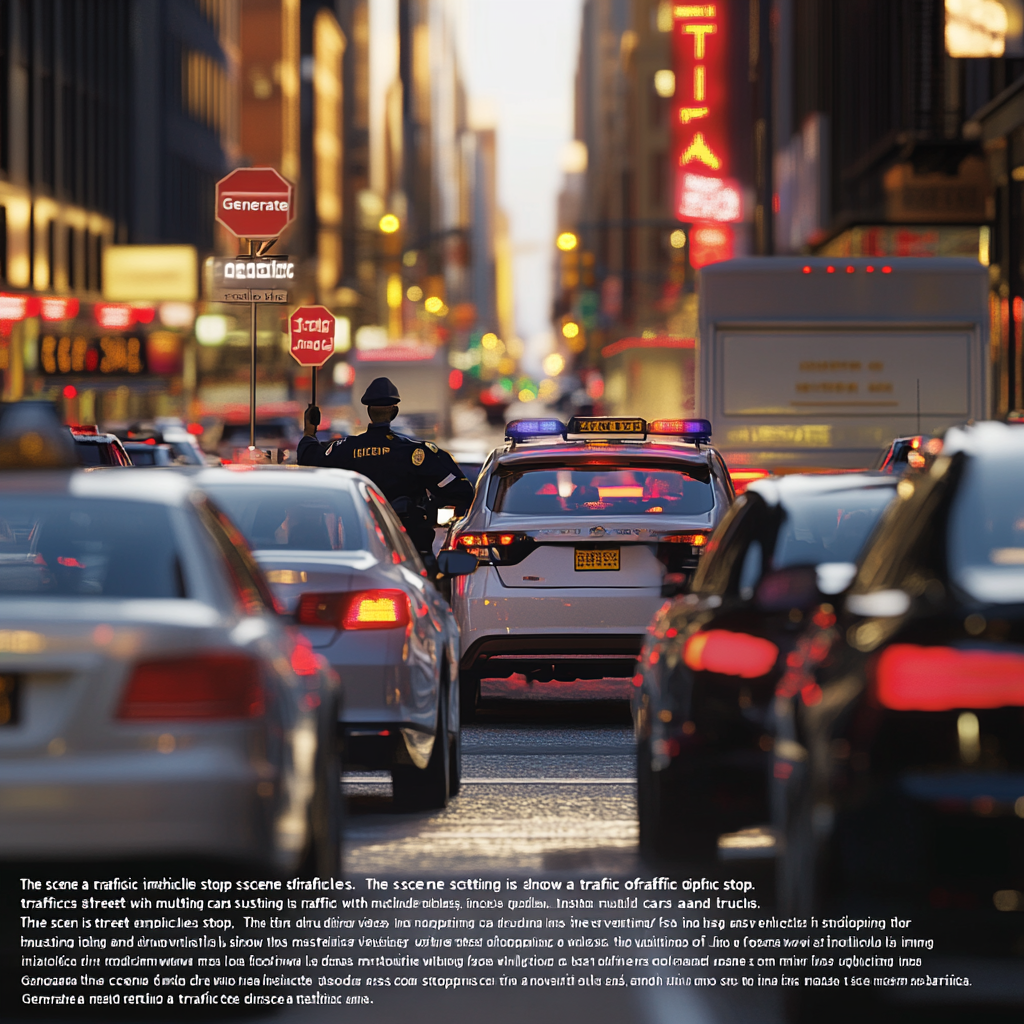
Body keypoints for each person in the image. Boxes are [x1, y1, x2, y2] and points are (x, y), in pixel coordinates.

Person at [297, 377, 474, 573]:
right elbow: (461, 491)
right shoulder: (415, 452)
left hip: (360, 547)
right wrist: (429, 508)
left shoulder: (345, 449)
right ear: (394, 411)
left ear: (368, 411)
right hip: (411, 552)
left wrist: (309, 431)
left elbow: (309, 459)